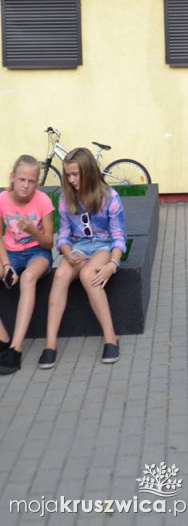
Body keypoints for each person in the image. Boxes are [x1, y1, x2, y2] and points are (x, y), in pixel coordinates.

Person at [37, 148, 125, 370]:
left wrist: (112, 265)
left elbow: (117, 238)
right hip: (78, 247)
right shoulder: (67, 199)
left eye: (75, 174)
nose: (71, 179)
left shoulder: (110, 197)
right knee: (61, 274)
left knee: (88, 275)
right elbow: (64, 235)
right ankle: (50, 344)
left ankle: (110, 337)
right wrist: (66, 252)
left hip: (102, 246)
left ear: (88, 172)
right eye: (68, 175)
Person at [0, 155, 54, 374]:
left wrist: (33, 231)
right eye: (22, 179)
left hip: (37, 252)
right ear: (13, 177)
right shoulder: (2, 199)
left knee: (28, 278)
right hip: (10, 253)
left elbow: (49, 242)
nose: (26, 185)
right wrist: (5, 265)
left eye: (32, 181)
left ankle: (16, 348)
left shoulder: (42, 201)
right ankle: (3, 338)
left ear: (37, 182)